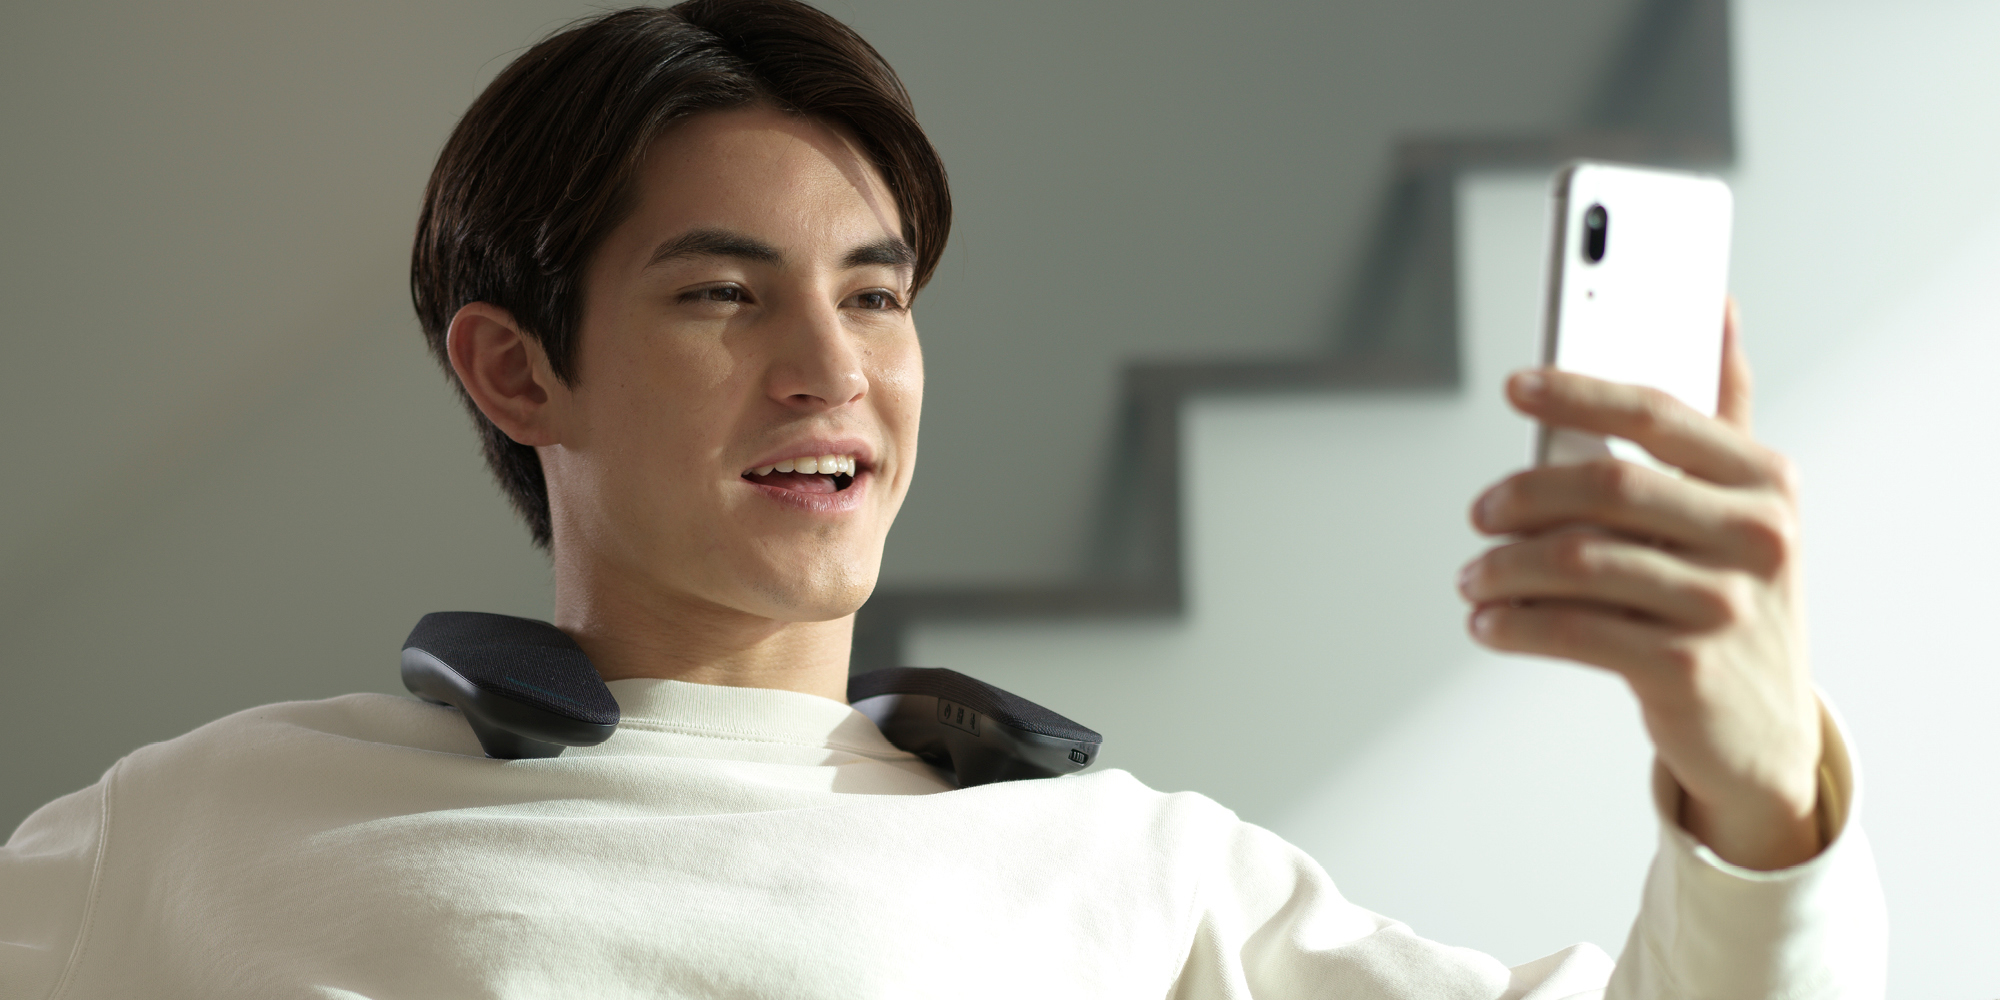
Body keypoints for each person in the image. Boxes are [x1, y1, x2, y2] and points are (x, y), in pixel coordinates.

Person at [0, 2, 1884, 996]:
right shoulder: (203, 827)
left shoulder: (1140, 878)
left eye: (878, 295)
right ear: (515, 370)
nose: (832, 370)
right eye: (723, 295)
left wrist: (1760, 790)